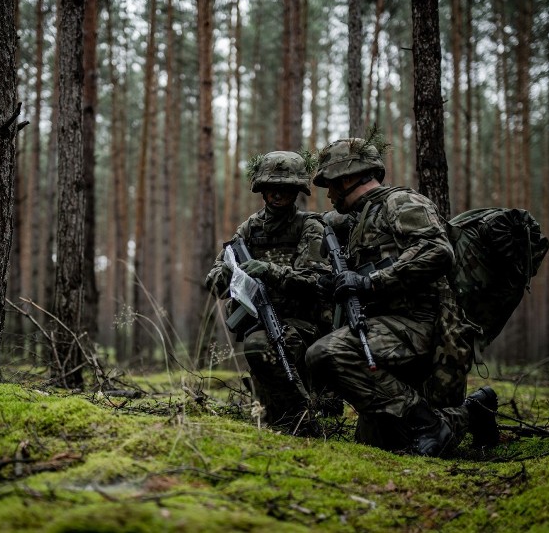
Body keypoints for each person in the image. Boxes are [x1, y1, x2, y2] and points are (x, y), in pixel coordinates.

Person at [306, 136, 498, 456]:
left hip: (422, 327)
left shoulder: (401, 203)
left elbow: (437, 251)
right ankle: (472, 412)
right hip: (387, 328)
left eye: (331, 184)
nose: (328, 194)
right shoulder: (358, 219)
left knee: (326, 353)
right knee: (381, 444)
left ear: (350, 177)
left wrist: (370, 283)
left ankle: (427, 422)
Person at [205, 150, 332, 435]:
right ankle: (292, 415)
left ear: (297, 191)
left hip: (304, 325)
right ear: (262, 189)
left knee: (264, 347)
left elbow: (317, 281)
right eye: (272, 188)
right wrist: (228, 273)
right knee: (268, 418)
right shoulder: (249, 228)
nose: (278, 194)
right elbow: (216, 279)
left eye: (286, 188)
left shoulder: (309, 226)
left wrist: (269, 270)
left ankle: (305, 417)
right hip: (260, 322)